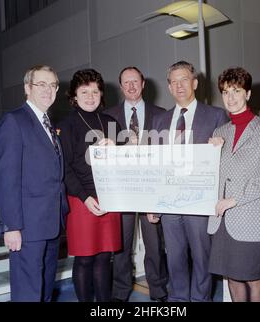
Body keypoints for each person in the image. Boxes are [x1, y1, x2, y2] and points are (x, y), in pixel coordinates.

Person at [148, 61, 228, 302]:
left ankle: (201, 299)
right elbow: (155, 163)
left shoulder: (216, 116)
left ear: (194, 83)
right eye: (174, 81)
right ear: (169, 87)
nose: (179, 85)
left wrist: (221, 148)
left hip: (200, 201)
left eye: (184, 80)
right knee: (174, 256)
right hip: (169, 201)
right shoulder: (160, 120)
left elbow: (229, 159)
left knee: (202, 256)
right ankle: (179, 300)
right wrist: (153, 203)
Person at [0, 65, 69, 301]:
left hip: (51, 223)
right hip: (26, 227)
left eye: (53, 85)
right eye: (41, 84)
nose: (48, 90)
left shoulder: (48, 123)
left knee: (45, 289)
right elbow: (6, 179)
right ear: (27, 88)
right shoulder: (14, 121)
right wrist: (11, 226)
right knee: (28, 292)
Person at [207, 67, 260, 302]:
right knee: (231, 277)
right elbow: (212, 174)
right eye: (226, 92)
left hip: (249, 217)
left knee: (251, 278)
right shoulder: (220, 132)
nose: (231, 97)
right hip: (222, 220)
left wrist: (234, 199)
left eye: (236, 90)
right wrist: (210, 153)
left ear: (247, 94)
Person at [104, 66, 168, 302]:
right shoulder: (108, 116)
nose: (131, 86)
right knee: (120, 245)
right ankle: (120, 292)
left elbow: (167, 155)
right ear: (121, 87)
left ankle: (158, 290)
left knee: (154, 245)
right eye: (126, 83)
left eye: (135, 81)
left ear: (143, 84)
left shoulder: (161, 114)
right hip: (123, 190)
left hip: (151, 189)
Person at [58, 69, 121, 302]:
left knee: (105, 257)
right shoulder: (66, 125)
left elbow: (129, 164)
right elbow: (65, 169)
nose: (90, 96)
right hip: (81, 200)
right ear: (74, 95)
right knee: (85, 259)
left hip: (110, 198)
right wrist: (86, 197)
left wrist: (119, 149)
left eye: (95, 91)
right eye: (84, 91)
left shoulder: (111, 122)